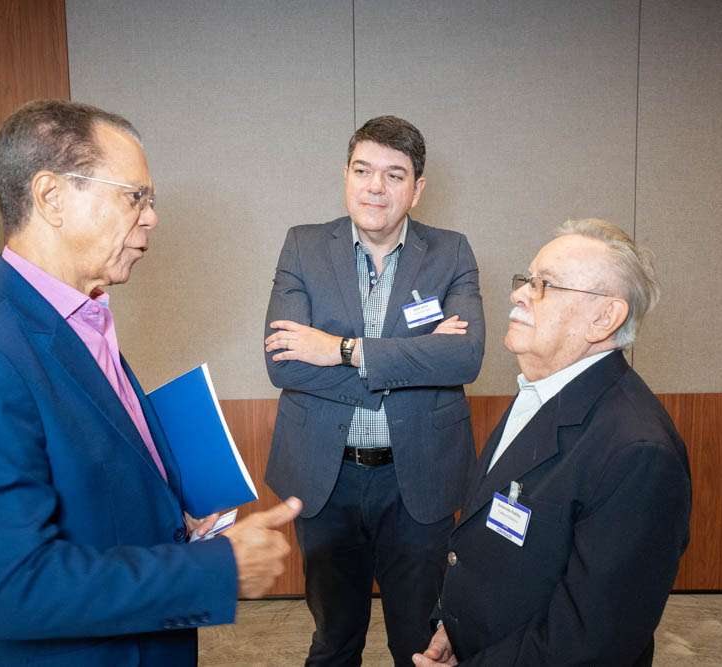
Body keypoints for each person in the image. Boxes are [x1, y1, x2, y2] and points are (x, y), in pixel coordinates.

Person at [0, 99, 301, 667]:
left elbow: (93, 486)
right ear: (50, 198)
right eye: (134, 196)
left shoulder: (84, 320)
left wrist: (174, 522)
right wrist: (219, 569)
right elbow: (11, 587)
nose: (151, 217)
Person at [414, 219, 691, 666]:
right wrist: (453, 625)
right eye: (527, 279)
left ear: (605, 318)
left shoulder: (639, 453)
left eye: (546, 285)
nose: (519, 293)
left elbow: (590, 641)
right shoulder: (544, 391)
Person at [263, 115, 486, 666]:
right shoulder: (303, 246)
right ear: (346, 174)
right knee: (334, 639)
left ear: (417, 188)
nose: (375, 187)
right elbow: (285, 364)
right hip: (326, 476)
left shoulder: (451, 252)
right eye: (363, 170)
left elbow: (466, 356)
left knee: (419, 642)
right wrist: (416, 359)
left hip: (420, 479)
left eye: (394, 174)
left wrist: (342, 349)